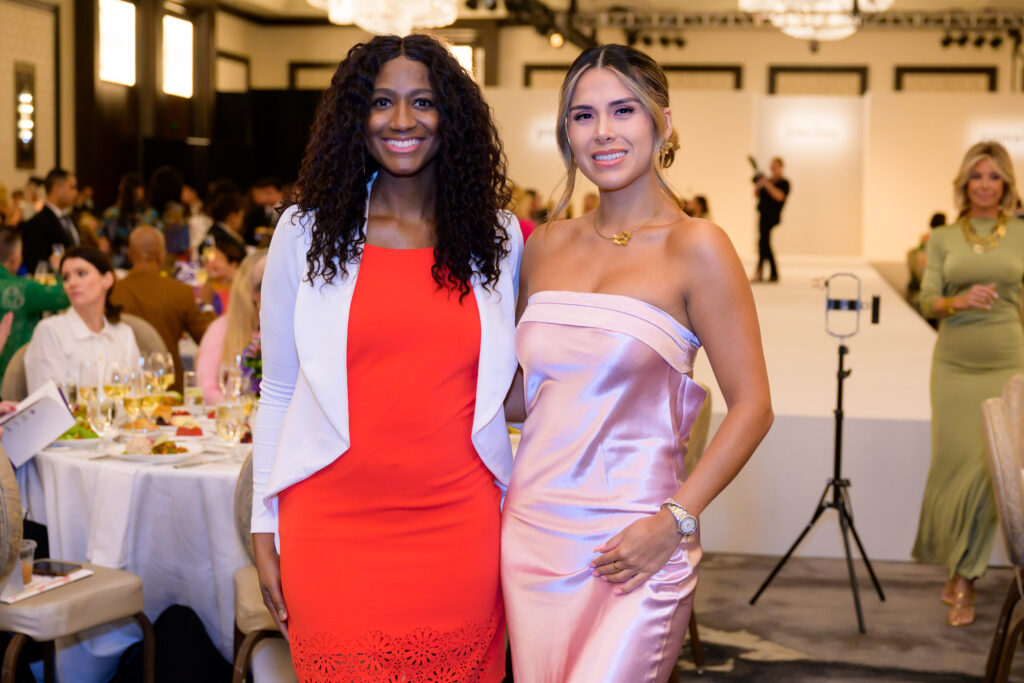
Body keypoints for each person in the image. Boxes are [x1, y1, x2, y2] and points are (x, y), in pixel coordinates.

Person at [251, 34, 522, 681]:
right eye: (381, 102)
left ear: (451, 116)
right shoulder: (305, 233)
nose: (402, 120)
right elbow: (279, 391)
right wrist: (264, 523)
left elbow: (528, 378)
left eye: (423, 101)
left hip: (461, 526)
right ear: (355, 116)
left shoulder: (499, 239)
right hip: (330, 526)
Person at [500, 45, 772, 682]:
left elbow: (754, 407)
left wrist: (674, 521)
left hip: (637, 545)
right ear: (566, 133)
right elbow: (520, 397)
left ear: (662, 123)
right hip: (532, 537)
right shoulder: (544, 246)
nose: (603, 131)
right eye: (583, 115)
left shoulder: (697, 246)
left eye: (623, 110)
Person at [912, 140, 1024, 628]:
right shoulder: (942, 238)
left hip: (1007, 361)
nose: (985, 185)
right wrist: (957, 302)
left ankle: (966, 577)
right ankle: (957, 563)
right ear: (964, 183)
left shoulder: (1020, 234)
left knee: (987, 471)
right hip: (954, 366)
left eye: (994, 176)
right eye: (977, 176)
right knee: (954, 467)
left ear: (1006, 184)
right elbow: (927, 300)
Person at [109, 226, 215, 393]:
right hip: (169, 389)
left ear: (130, 254)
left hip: (122, 387)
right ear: (161, 255)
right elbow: (208, 339)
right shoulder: (180, 292)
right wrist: (207, 305)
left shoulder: (111, 292)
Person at [24, 246, 140, 393]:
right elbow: (47, 401)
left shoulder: (124, 335)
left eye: (81, 274)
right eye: (66, 277)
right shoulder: (50, 331)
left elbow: (137, 393)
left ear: (107, 279)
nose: (72, 283)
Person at [195, 249, 266, 404]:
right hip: (235, 416)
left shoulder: (293, 333)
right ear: (255, 293)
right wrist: (241, 409)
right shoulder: (222, 329)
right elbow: (206, 389)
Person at [0, 227, 69, 382]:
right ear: (15, 256)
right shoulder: (24, 288)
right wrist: (60, 270)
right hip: (11, 378)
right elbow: (64, 296)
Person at [20, 168, 80, 275]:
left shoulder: (69, 218)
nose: (76, 193)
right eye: (72, 187)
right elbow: (37, 265)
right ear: (57, 189)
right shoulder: (37, 223)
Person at [102, 173, 157, 265]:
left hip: (116, 263)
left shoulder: (111, 214)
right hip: (142, 264)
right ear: (140, 190)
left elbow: (104, 247)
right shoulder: (150, 215)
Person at [751, 156, 789, 283]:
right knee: (763, 243)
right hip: (763, 214)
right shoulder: (767, 180)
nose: (773, 169)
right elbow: (756, 194)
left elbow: (779, 197)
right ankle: (772, 273)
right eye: (771, 167)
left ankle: (762, 271)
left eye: (775, 167)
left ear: (781, 167)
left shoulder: (784, 183)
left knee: (764, 243)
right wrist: (759, 184)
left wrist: (767, 184)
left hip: (772, 216)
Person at [243, 177, 285, 245]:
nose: (254, 198)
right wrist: (260, 236)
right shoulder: (256, 213)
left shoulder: (289, 210)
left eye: (257, 194)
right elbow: (249, 237)